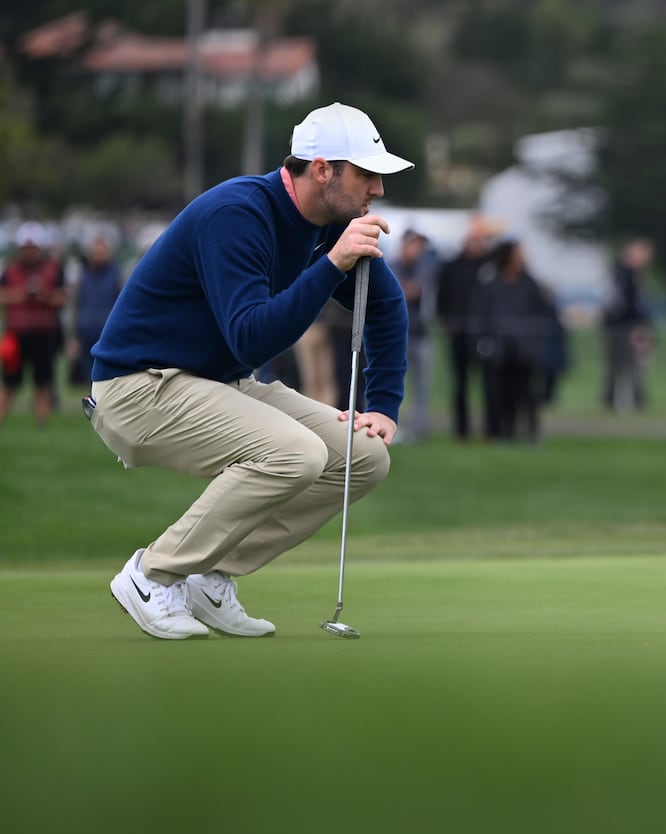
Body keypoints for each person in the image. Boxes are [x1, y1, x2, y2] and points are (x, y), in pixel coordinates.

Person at [87, 101, 412, 640]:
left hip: (214, 383)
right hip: (138, 388)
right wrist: (331, 268)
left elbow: (385, 306)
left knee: (365, 458)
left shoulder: (327, 224)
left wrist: (384, 404)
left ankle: (209, 579)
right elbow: (252, 335)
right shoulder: (238, 214)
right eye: (366, 174)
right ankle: (152, 575)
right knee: (295, 452)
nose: (377, 189)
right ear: (322, 169)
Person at [474, 240, 563, 444]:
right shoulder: (492, 285)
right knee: (497, 394)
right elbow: (482, 316)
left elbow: (542, 314)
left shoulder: (529, 285)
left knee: (526, 394)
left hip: (524, 349)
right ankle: (497, 433)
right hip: (498, 349)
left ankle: (530, 433)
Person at [0, 222, 68, 427]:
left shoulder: (52, 269)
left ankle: (42, 424)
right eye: (26, 248)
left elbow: (63, 297)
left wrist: (43, 296)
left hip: (43, 332)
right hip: (16, 333)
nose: (29, 252)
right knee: (9, 382)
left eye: (33, 247)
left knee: (43, 382)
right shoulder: (10, 270)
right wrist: (22, 295)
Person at [437, 217, 494, 439]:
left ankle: (490, 430)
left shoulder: (490, 267)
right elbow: (442, 297)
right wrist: (446, 323)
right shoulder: (452, 266)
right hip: (458, 333)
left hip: (484, 334)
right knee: (460, 384)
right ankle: (461, 431)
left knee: (488, 384)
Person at [392, 229, 437, 440]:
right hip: (397, 334)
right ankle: (391, 427)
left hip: (421, 333)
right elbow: (403, 290)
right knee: (392, 383)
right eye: (415, 244)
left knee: (422, 387)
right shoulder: (392, 265)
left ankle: (418, 431)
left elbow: (418, 289)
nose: (418, 249)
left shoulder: (425, 267)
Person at [601, 237, 654, 413]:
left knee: (622, 366)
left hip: (622, 326)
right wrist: (637, 324)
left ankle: (619, 399)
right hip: (624, 327)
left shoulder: (625, 275)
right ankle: (623, 401)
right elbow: (625, 305)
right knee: (625, 366)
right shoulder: (626, 276)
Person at [69, 234, 123, 388]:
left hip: (108, 337)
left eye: (101, 252)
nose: (97, 257)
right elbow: (75, 307)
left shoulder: (117, 274)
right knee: (89, 380)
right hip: (86, 335)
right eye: (94, 253)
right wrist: (73, 337)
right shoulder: (82, 275)